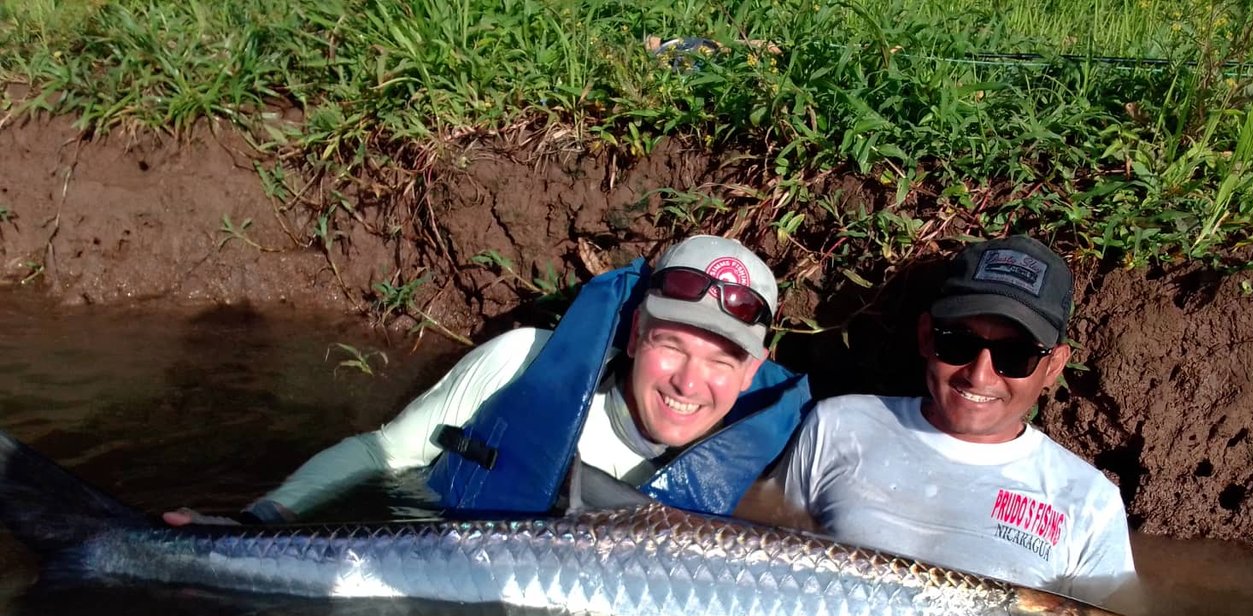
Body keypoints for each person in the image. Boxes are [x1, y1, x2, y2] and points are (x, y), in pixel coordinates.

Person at [165, 235, 811, 525]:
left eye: (722, 359)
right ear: (635, 336)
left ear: (753, 368)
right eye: (671, 346)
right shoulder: (523, 362)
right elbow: (379, 453)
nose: (688, 383)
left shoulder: (772, 464)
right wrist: (260, 521)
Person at [769, 234, 1136, 607]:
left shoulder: (1088, 502)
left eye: (1015, 355)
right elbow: (764, 562)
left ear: (1053, 366)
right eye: (958, 342)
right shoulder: (836, 426)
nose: (979, 375)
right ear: (927, 336)